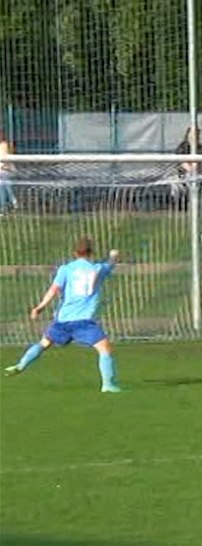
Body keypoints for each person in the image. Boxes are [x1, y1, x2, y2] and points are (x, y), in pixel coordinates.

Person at [4, 237, 122, 393]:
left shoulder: (66, 269)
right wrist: (113, 256)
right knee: (104, 349)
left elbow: (53, 290)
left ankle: (20, 365)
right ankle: (108, 385)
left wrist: (39, 307)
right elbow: (111, 264)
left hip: (63, 319)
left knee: (43, 343)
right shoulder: (98, 269)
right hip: (83, 321)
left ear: (75, 253)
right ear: (91, 252)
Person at [172, 126, 202, 202]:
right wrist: (192, 168)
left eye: (197, 134)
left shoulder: (201, 148)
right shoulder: (182, 147)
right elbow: (183, 163)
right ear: (188, 134)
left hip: (199, 174)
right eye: (192, 134)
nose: (195, 136)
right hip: (182, 175)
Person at [0, 130, 18, 215]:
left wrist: (3, 167)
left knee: (5, 187)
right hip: (3, 170)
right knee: (4, 188)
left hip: (5, 170)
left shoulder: (4, 145)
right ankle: (8, 206)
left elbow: (5, 159)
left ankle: (12, 204)